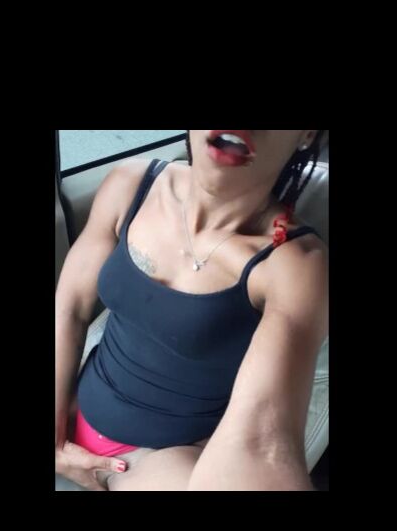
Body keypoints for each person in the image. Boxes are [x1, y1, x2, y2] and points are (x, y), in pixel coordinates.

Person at [55, 130, 328, 491]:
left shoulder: (295, 265)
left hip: (159, 460)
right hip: (75, 403)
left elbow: (262, 442)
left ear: (306, 134)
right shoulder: (130, 185)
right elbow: (70, 308)